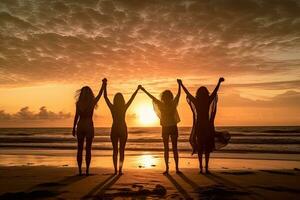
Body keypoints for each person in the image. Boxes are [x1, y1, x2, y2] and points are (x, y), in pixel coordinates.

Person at [179, 77, 225, 174]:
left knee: (200, 148)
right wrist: (219, 82)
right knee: (207, 148)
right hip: (207, 127)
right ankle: (206, 167)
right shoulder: (208, 100)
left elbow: (187, 93)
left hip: (199, 127)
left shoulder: (196, 101)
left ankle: (201, 168)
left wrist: (181, 84)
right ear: (205, 93)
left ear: (198, 94)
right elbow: (214, 92)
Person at [141, 80, 181, 174]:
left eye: (168, 97)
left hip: (169, 128)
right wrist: (180, 85)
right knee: (170, 148)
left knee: (169, 148)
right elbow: (153, 97)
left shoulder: (166, 104)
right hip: (169, 128)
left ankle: (173, 168)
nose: (167, 98)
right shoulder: (169, 104)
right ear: (166, 97)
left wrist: (180, 85)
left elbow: (178, 95)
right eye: (166, 97)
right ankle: (172, 168)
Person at [103, 79, 141, 174]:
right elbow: (132, 98)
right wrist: (137, 89)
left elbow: (105, 97)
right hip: (122, 129)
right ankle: (120, 170)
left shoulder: (113, 107)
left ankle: (116, 170)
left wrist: (104, 85)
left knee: (115, 151)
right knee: (121, 151)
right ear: (122, 100)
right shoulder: (124, 107)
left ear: (115, 100)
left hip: (115, 128)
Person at [72, 80, 106, 176]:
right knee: (88, 149)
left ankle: (79, 171)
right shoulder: (92, 102)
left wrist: (73, 127)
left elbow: (76, 116)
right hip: (89, 126)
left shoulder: (78, 103)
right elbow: (100, 95)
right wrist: (103, 85)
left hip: (80, 125)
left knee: (79, 149)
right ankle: (87, 170)